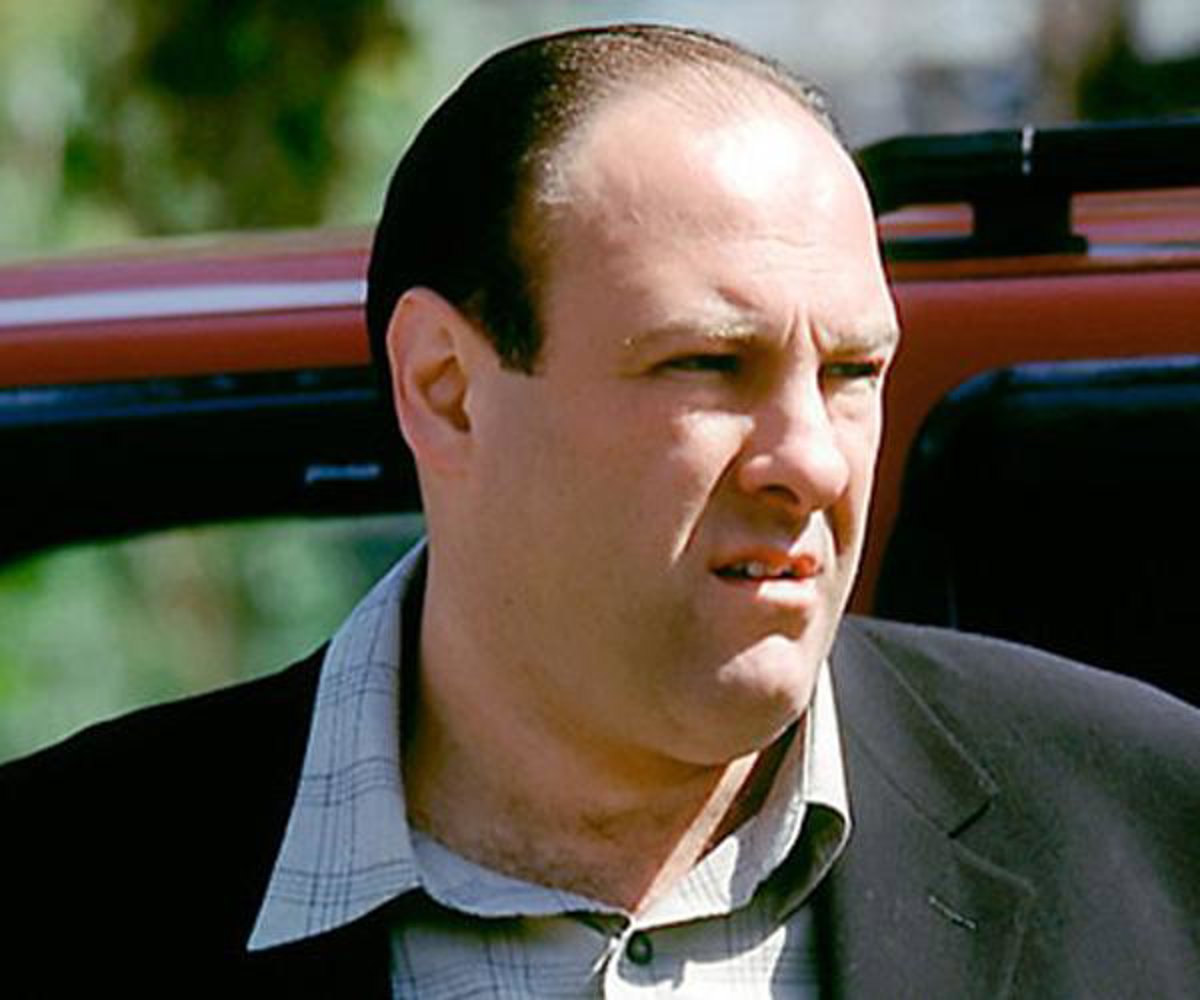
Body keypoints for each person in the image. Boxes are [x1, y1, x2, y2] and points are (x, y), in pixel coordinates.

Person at [4, 23, 1198, 999]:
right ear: (446, 387)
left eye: (851, 373)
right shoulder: (66, 886)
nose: (810, 460)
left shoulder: (1151, 834)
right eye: (708, 365)